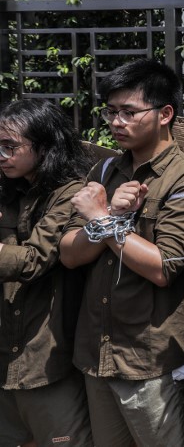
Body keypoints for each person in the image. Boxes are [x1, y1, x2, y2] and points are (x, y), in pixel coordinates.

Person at [59, 58, 184, 447]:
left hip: (149, 360)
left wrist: (104, 222)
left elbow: (164, 267)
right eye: (111, 112)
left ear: (165, 114)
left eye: (129, 112)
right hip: (96, 350)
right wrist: (111, 213)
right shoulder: (105, 172)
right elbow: (70, 254)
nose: (116, 122)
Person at [0, 99, 94, 447]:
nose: (2, 155)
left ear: (44, 146)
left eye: (10, 147)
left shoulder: (72, 192)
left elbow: (35, 259)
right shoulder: (10, 188)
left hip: (47, 357)